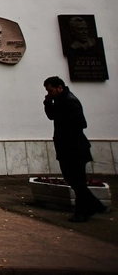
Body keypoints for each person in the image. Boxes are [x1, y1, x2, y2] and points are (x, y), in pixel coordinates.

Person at [42, 76, 108, 222]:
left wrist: (66, 133)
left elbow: (81, 123)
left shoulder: (69, 101)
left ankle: (82, 212)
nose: (49, 93)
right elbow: (52, 116)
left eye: (50, 90)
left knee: (77, 181)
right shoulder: (60, 100)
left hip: (74, 148)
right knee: (74, 180)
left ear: (59, 88)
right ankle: (96, 206)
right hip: (67, 148)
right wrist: (47, 102)